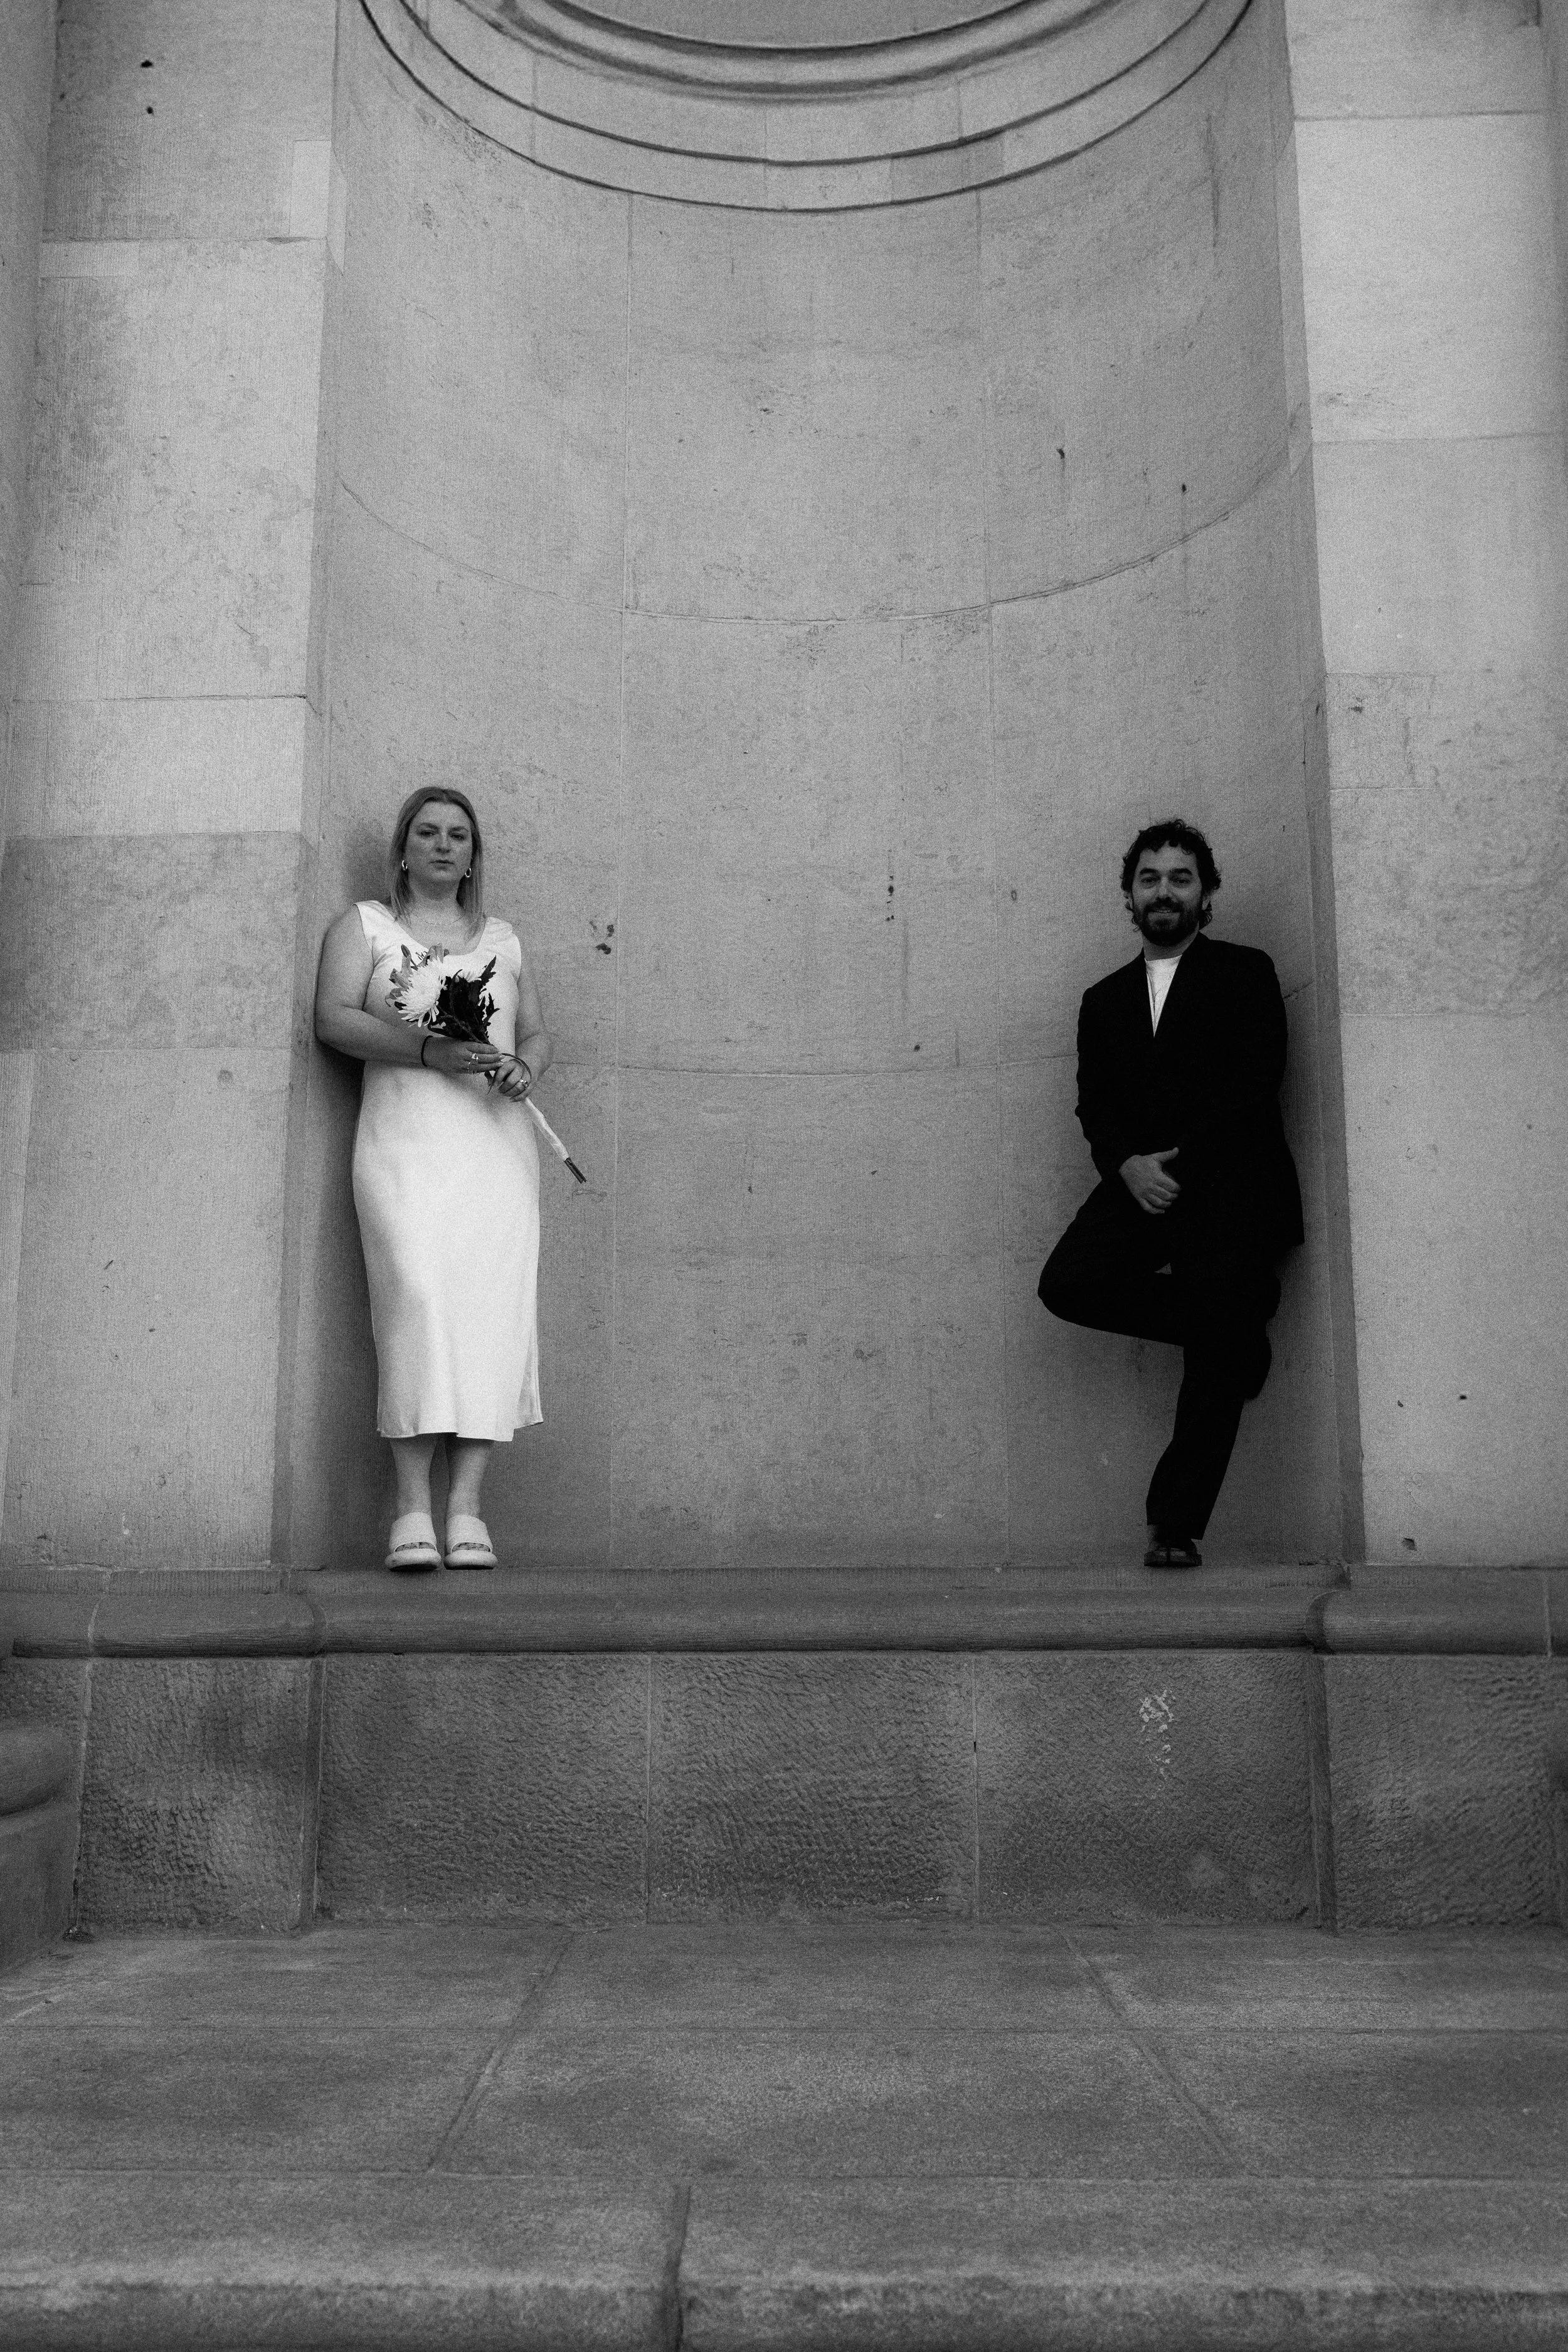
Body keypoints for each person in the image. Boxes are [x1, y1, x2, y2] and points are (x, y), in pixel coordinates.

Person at [1037, 818, 1303, 1568]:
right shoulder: (1102, 999)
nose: (1164, 891)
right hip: (1137, 1183)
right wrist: (1124, 1165)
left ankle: (1173, 1525)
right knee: (1068, 1284)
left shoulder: (1246, 971)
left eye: (1180, 877)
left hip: (1231, 1187)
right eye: (1149, 878)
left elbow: (1255, 1084)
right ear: (1129, 894)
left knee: (1214, 1343)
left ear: (1206, 893)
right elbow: (1095, 1103)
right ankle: (1238, 1328)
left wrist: (1172, 1170)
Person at [314, 787, 553, 1572]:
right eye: (428, 833)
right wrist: (427, 1052)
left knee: (488, 1316)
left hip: (495, 1150)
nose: (444, 846)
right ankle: (410, 1504)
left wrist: (522, 1064)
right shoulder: (366, 927)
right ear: (404, 847)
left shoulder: (506, 940)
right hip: (404, 1145)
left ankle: (466, 1509)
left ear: (473, 853)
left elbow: (538, 1032)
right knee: (414, 1300)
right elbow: (334, 1018)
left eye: (458, 835)